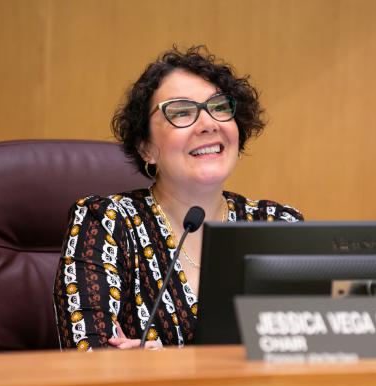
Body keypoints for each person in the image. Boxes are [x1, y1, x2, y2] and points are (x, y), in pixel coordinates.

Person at [53, 46, 303, 351]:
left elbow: (305, 351)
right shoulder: (106, 222)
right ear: (145, 147)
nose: (208, 123)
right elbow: (89, 358)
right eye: (181, 112)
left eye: (219, 107)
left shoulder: (276, 226)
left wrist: (167, 363)